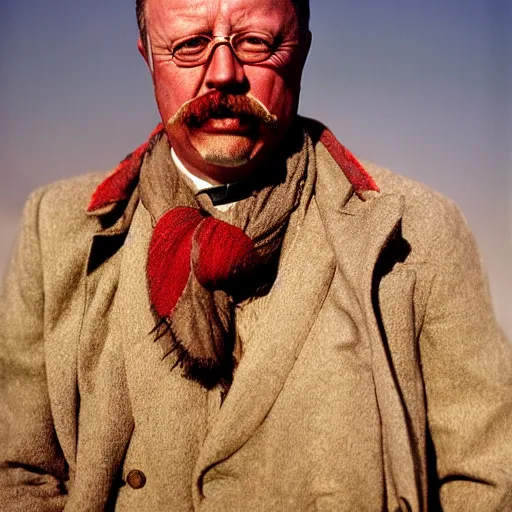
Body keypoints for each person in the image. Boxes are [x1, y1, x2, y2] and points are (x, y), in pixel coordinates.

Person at [1, 0, 511, 510]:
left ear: (302, 52)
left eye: (256, 43)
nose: (223, 74)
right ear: (149, 57)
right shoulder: (58, 228)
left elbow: (490, 483)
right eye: (190, 45)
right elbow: (16, 474)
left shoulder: (418, 233)